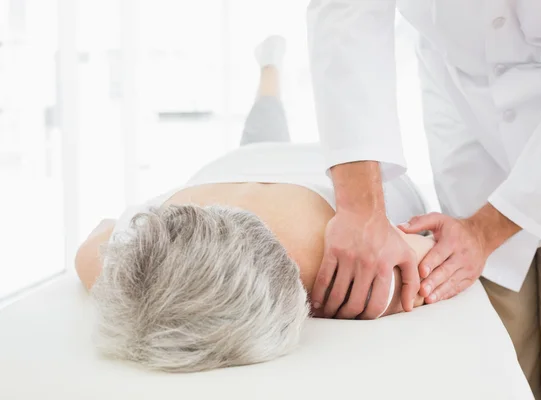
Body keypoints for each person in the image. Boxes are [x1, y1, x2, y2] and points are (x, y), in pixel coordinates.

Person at [74, 36, 434, 373]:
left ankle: (270, 69)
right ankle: (270, 68)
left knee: (265, 132)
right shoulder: (113, 260)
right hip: (232, 170)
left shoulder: (325, 265)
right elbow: (100, 233)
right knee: (262, 133)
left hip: (280, 171)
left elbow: (426, 253)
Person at [307, 1, 541, 399]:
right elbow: (348, 13)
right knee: (496, 347)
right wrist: (361, 209)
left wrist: (483, 233)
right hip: (466, 102)